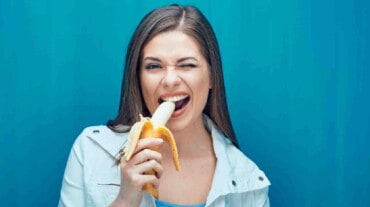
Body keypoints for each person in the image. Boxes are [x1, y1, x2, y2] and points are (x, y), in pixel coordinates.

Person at [58, 4, 270, 207]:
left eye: (187, 65)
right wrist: (125, 201)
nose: (170, 80)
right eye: (153, 66)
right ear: (138, 77)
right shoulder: (91, 151)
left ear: (213, 76)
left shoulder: (249, 184)